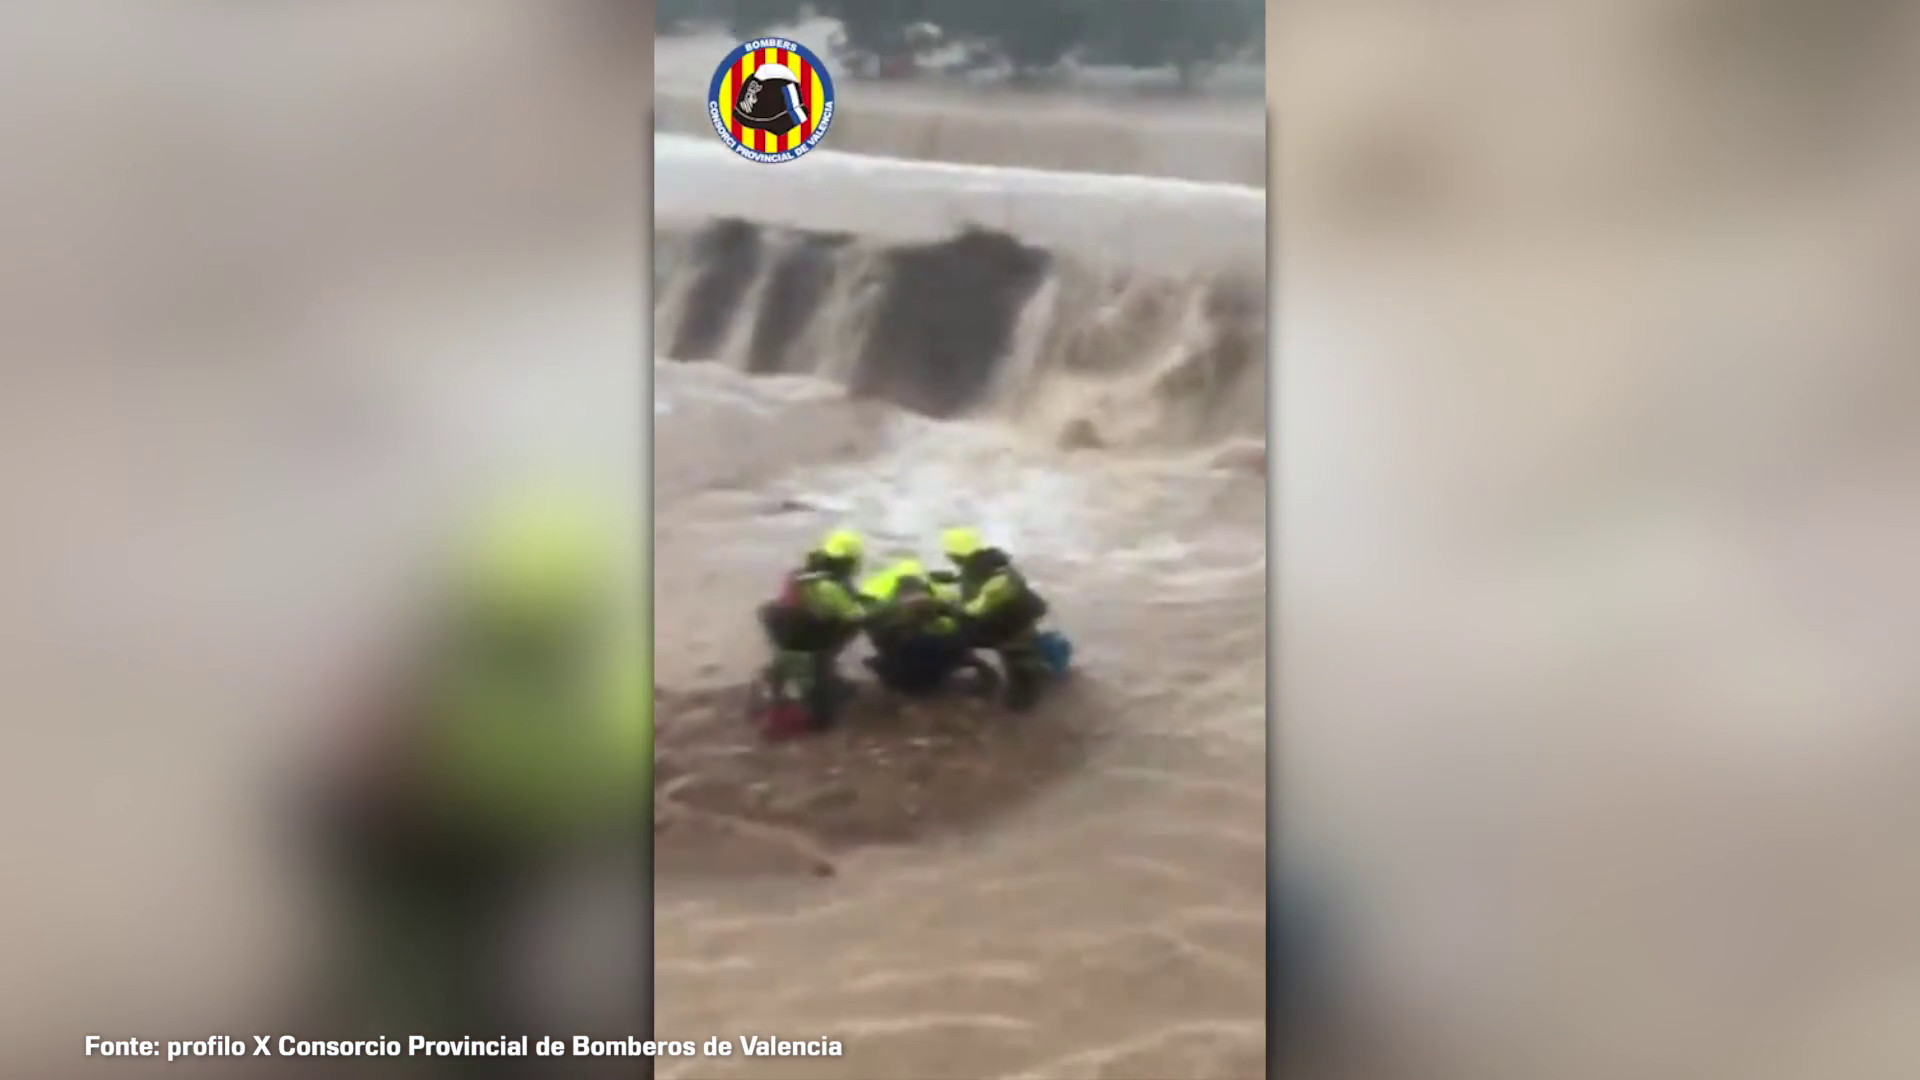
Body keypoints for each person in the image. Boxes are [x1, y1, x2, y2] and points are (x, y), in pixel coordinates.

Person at [310, 482, 645, 1057]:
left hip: (468, 837)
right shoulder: (582, 680)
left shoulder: (455, 651)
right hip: (452, 834)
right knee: (460, 969)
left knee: (452, 965)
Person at [757, 528, 869, 733]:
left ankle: (796, 682)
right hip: (810, 640)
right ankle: (813, 688)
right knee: (853, 623)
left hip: (784, 632)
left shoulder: (801, 575)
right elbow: (855, 616)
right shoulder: (830, 586)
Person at [937, 527, 1053, 711]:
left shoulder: (980, 576)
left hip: (1009, 630)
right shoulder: (992, 562)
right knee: (1023, 663)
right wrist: (952, 579)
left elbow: (974, 610)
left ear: (954, 555)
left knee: (949, 635)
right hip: (1022, 619)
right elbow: (986, 583)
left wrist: (945, 608)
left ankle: (1013, 700)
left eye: (949, 554)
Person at [858, 558, 993, 697]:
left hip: (901, 677)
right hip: (939, 675)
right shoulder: (943, 608)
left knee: (882, 643)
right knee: (958, 638)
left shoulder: (888, 611)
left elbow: (866, 623)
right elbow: (968, 623)